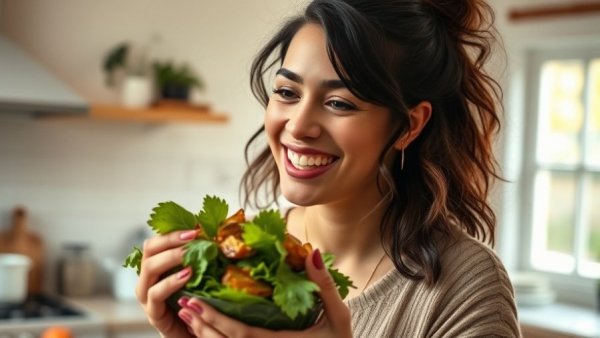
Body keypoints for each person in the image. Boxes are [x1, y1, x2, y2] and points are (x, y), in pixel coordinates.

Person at [135, 0, 521, 337]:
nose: (299, 126)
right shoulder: (250, 256)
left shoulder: (466, 289)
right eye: (287, 93)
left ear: (409, 125)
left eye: (339, 103)